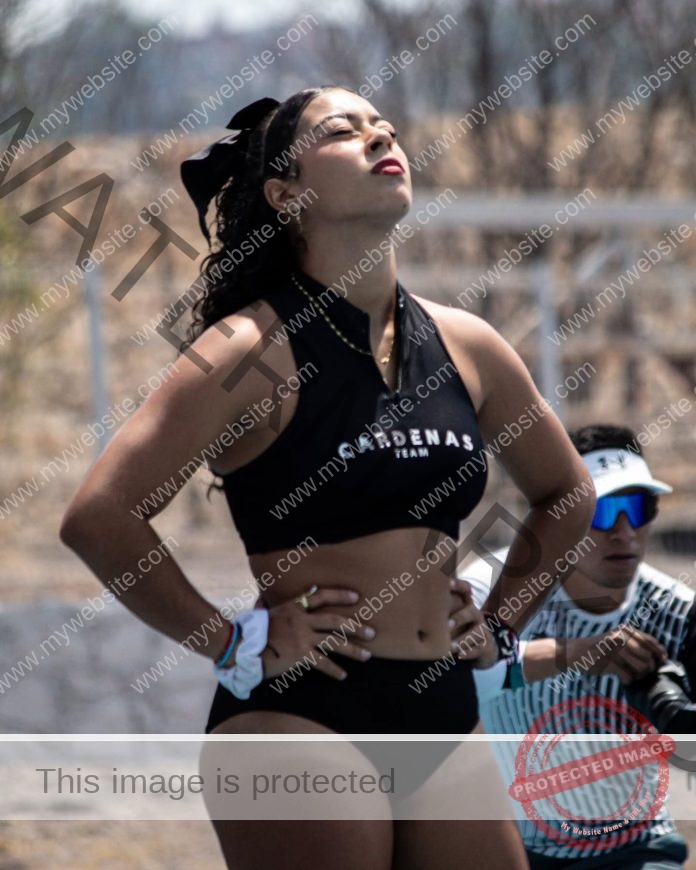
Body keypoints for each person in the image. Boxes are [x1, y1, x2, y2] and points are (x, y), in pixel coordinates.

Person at [59, 85, 594, 870]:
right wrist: (229, 641)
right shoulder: (245, 350)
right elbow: (99, 517)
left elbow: (568, 494)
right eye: (345, 132)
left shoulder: (468, 342)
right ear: (287, 194)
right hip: (300, 718)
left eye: (385, 123)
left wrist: (503, 623)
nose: (380, 136)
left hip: (442, 712)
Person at [458, 424, 694, 870]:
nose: (624, 532)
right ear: (564, 515)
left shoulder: (680, 611)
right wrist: (575, 653)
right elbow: (444, 685)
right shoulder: (489, 592)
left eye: (639, 507)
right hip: (512, 850)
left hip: (638, 849)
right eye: (605, 510)